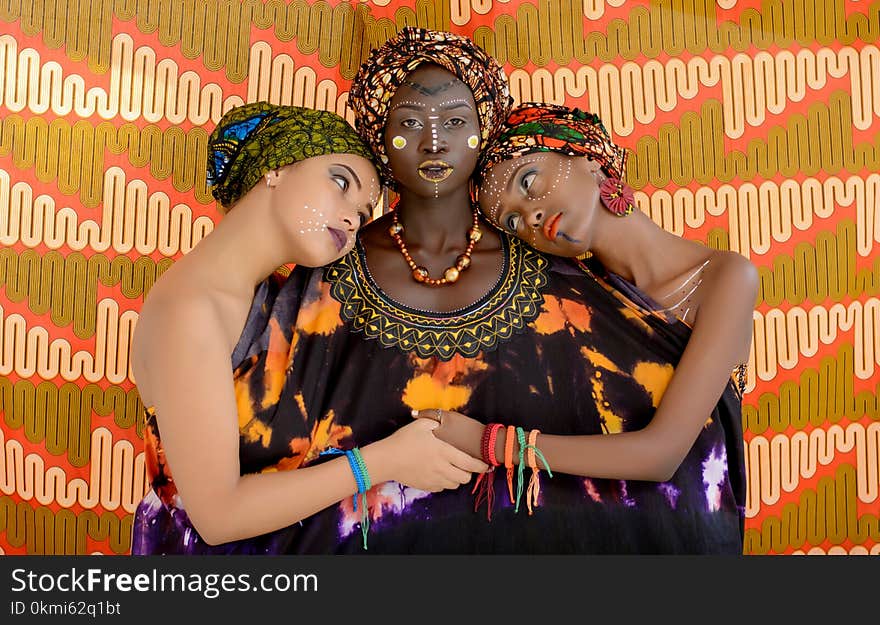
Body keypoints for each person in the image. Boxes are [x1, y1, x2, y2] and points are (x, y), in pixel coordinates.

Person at [215, 27, 748, 553]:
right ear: (378, 136)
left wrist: (491, 443)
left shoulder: (580, 284)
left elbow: (660, 454)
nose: (433, 141)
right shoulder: (322, 268)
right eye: (407, 123)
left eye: (454, 121)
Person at [129, 102, 488, 555]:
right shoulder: (191, 308)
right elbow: (217, 515)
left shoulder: (280, 296)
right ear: (276, 167)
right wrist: (386, 461)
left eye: (361, 214)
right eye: (340, 183)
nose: (351, 220)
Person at [424, 103, 758, 545]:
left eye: (529, 182)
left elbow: (661, 454)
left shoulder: (726, 276)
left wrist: (491, 443)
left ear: (587, 155)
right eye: (511, 220)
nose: (531, 218)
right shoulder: (570, 300)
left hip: (690, 537)